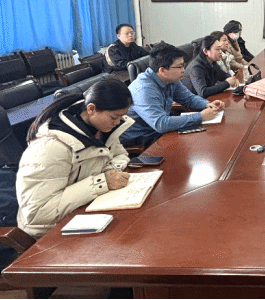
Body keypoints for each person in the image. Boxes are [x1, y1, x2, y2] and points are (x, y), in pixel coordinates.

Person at [16, 78, 134, 238]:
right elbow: (37, 212)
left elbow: (120, 154)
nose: (118, 123)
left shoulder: (102, 128)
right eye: (114, 117)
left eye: (121, 117)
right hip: (50, 232)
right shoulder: (51, 148)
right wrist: (101, 182)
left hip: (88, 211)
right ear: (91, 109)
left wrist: (110, 172)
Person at [120, 42, 224, 148]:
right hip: (141, 136)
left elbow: (189, 99)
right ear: (162, 70)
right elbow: (160, 124)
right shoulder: (144, 89)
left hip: (158, 129)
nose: (183, 70)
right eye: (179, 67)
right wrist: (200, 116)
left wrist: (207, 104)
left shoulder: (170, 79)